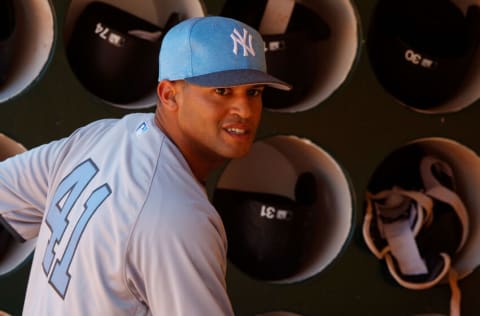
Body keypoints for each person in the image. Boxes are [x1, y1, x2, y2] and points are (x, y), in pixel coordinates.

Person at [0, 16, 291, 315]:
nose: (244, 109)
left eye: (253, 92)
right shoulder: (180, 218)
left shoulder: (101, 136)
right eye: (222, 91)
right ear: (168, 95)